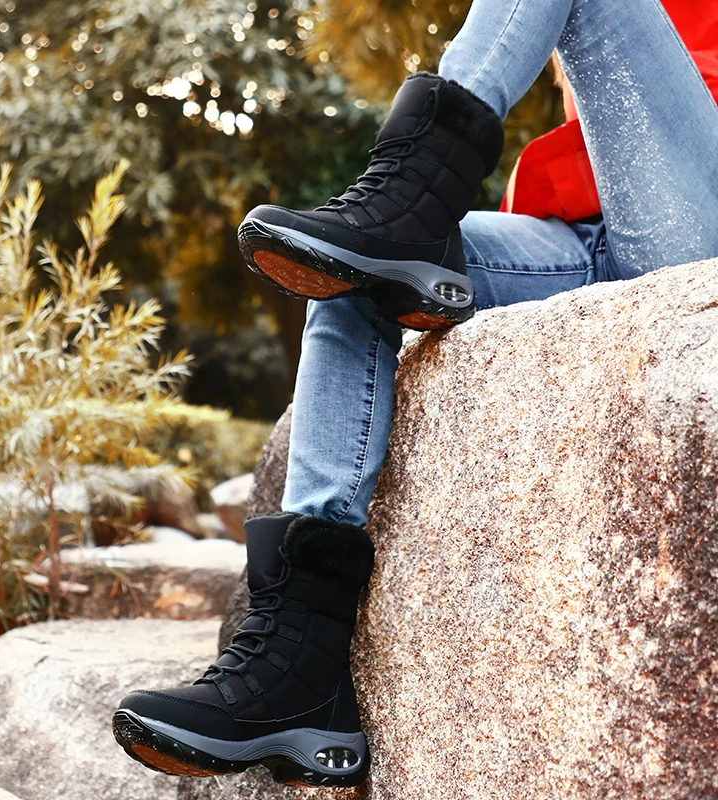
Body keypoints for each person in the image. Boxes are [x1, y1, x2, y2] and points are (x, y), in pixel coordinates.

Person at [113, 0, 718, 787]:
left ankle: (418, 183)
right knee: (353, 271)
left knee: (384, 234)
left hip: (695, 229)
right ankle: (297, 665)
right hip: (580, 234)